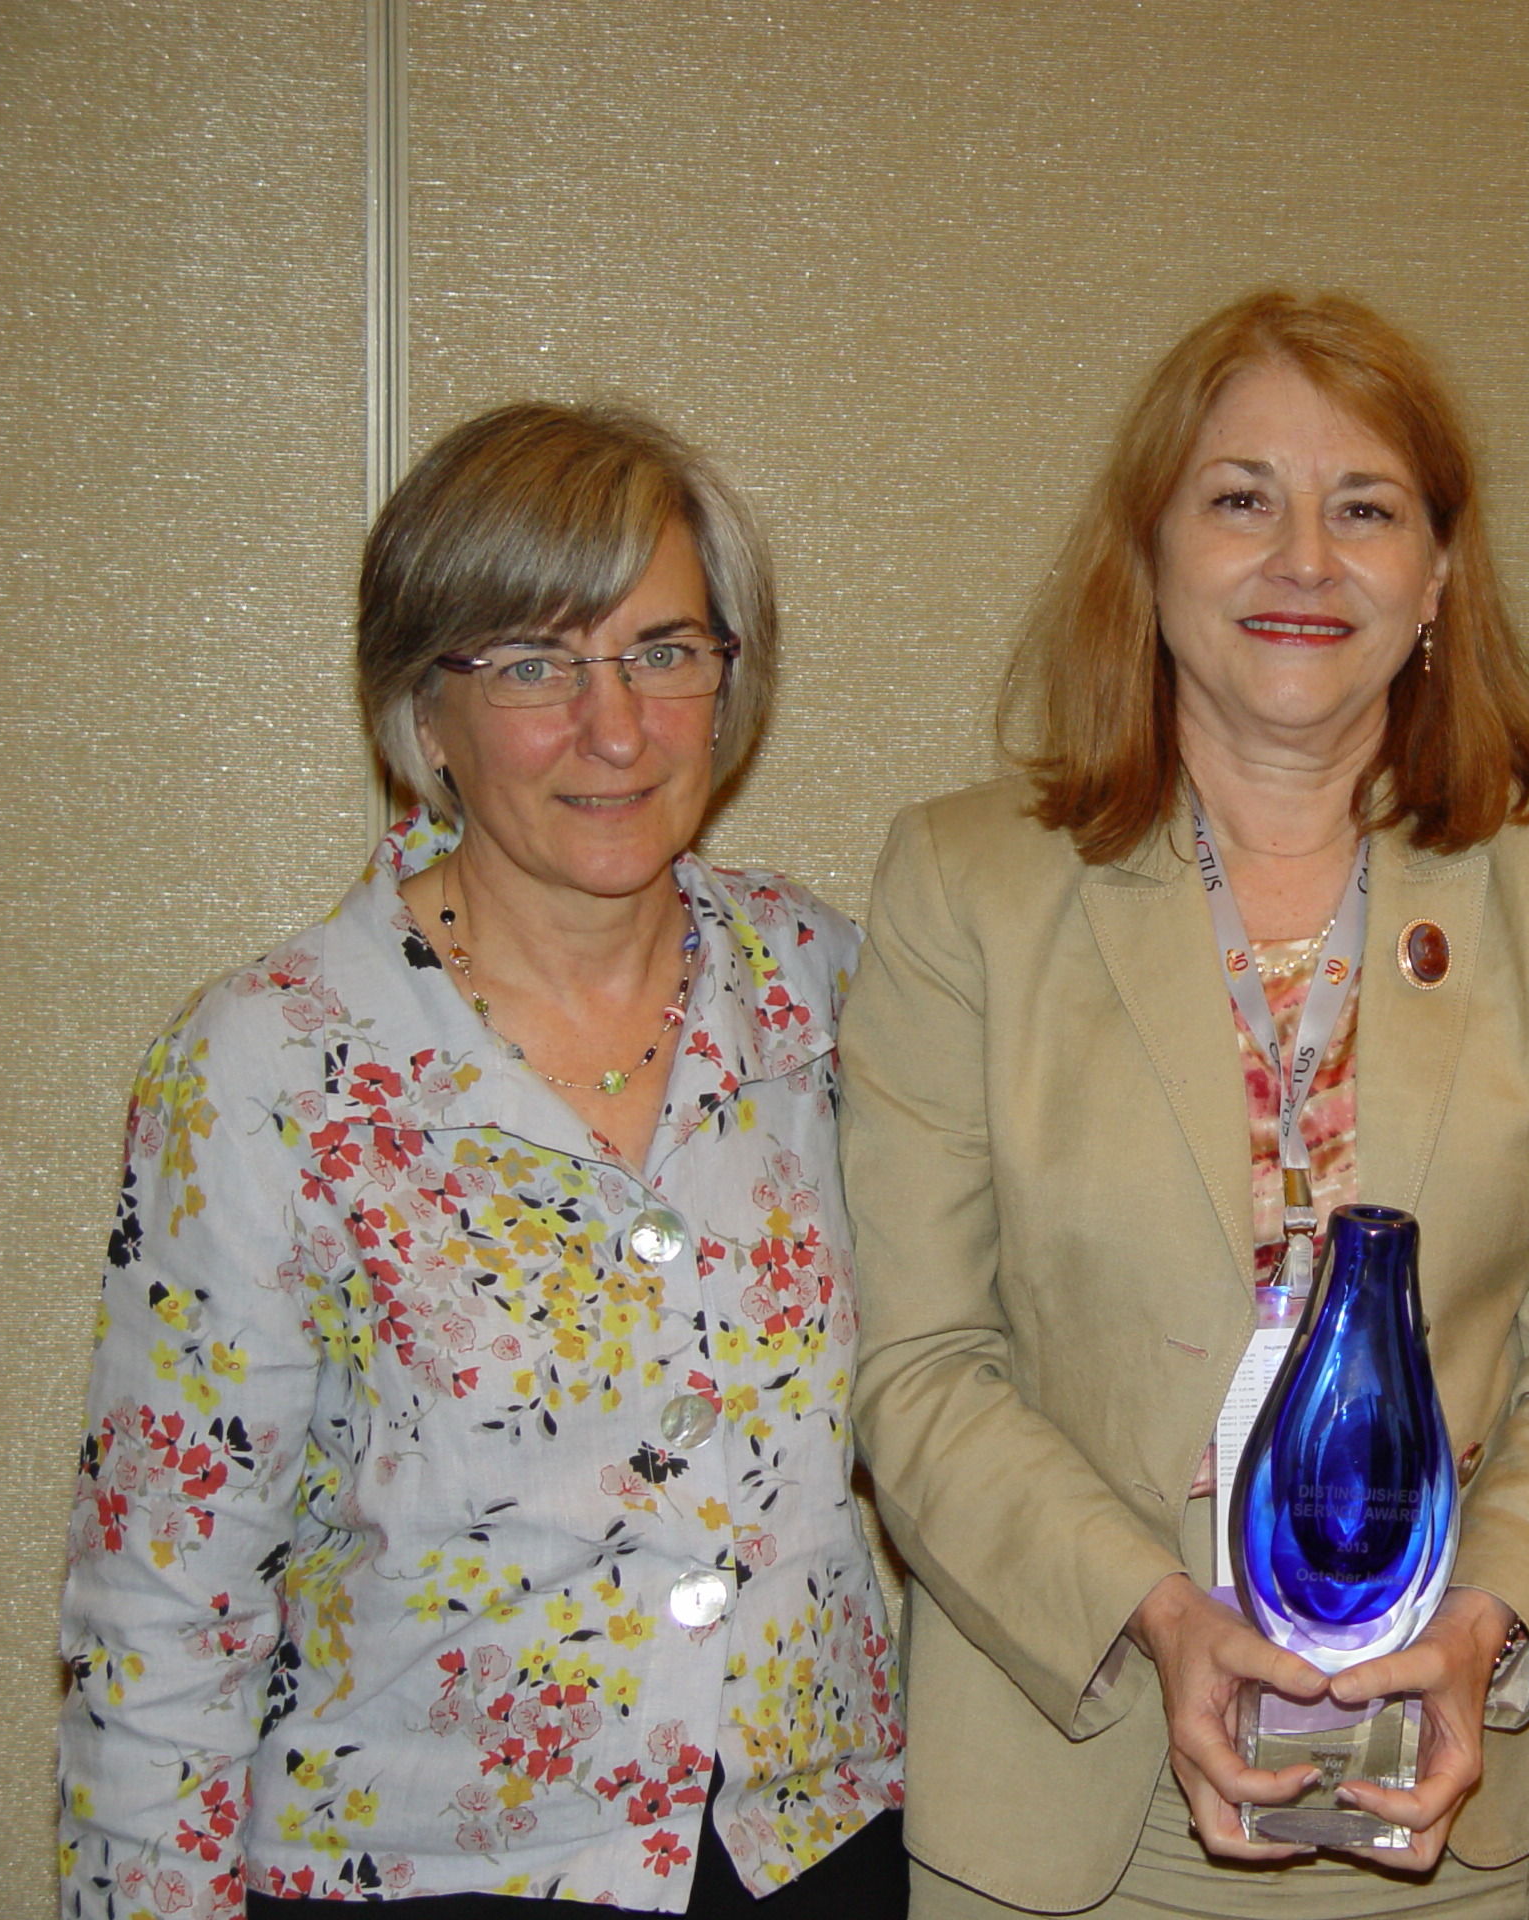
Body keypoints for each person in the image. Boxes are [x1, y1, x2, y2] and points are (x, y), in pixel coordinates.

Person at [837, 289, 1529, 1920]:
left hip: (1454, 1798)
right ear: (1148, 553)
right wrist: (1162, 1620)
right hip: (1074, 1799)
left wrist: (1484, 1626)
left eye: (1365, 509)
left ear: (1437, 575)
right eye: (1241, 500)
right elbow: (925, 1367)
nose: (1305, 561)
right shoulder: (967, 885)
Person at [58, 400, 905, 1920]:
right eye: (530, 664)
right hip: (428, 1875)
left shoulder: (831, 991)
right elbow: (163, 1608)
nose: (615, 727)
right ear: (422, 712)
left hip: (814, 1859)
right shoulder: (269, 1065)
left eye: (661, 650)